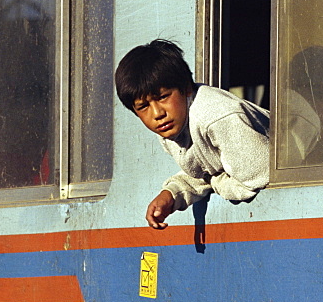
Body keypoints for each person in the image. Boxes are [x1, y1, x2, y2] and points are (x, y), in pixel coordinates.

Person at [115, 39, 270, 229]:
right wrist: (172, 194)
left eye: (163, 97)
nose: (157, 114)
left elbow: (255, 179)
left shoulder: (215, 117)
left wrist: (215, 181)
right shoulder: (170, 127)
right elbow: (206, 165)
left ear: (187, 88)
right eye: (143, 106)